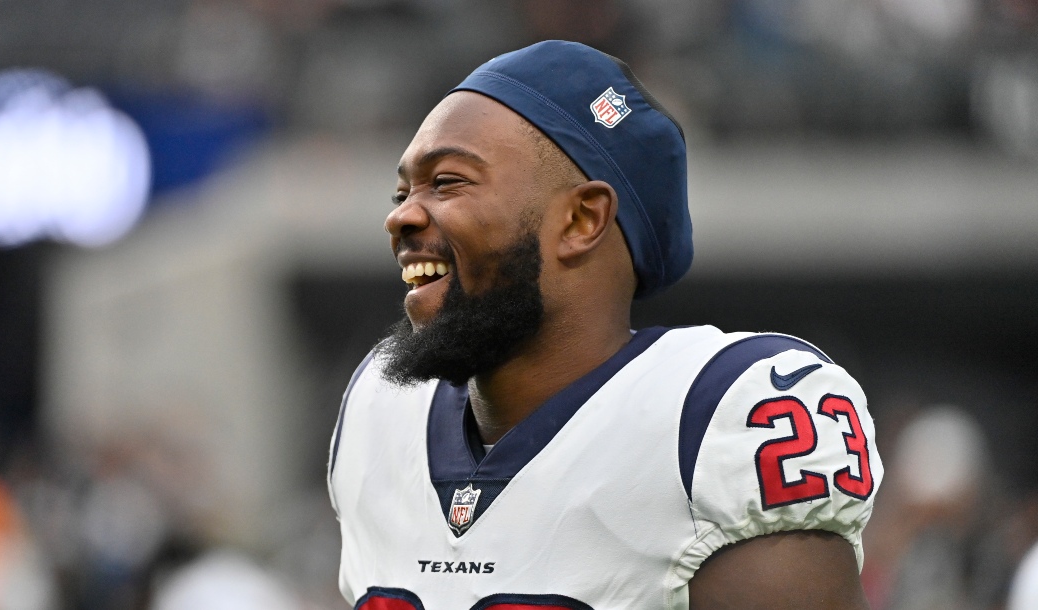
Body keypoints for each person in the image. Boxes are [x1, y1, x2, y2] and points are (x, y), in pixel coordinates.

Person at [328, 40, 882, 609]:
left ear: (580, 219)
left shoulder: (717, 415)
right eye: (403, 191)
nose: (400, 216)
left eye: (447, 181)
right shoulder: (382, 405)